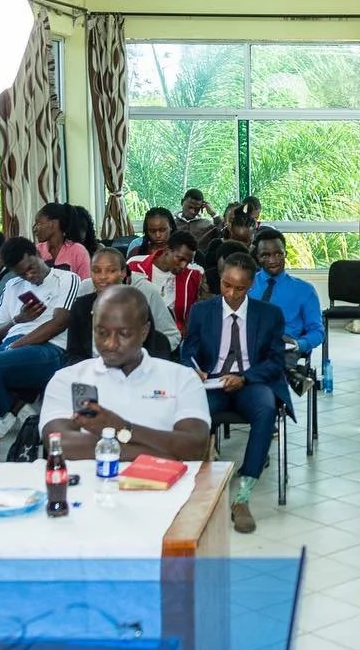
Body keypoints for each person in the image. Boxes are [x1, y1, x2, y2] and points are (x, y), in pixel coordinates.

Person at [180, 252, 292, 534]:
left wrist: (244, 378)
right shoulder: (201, 312)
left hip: (250, 381)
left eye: (239, 288)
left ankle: (242, 497)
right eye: (226, 285)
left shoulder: (269, 315)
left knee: (266, 409)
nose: (231, 293)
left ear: (251, 285)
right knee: (192, 411)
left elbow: (276, 362)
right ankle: (194, 484)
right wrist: (193, 369)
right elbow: (188, 351)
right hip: (212, 382)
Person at [40, 285, 210, 463]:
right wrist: (159, 454)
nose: (111, 344)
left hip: (164, 489)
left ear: (144, 331)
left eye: (124, 334)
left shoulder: (182, 378)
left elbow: (194, 448)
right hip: (87, 489)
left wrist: (121, 427)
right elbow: (59, 444)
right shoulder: (67, 378)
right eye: (102, 332)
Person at [0, 236, 80, 427]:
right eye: (22, 274)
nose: (29, 276)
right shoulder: (13, 286)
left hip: (48, 348)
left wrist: (15, 345)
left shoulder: (66, 279)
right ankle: (17, 408)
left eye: (31, 268)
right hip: (11, 345)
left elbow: (60, 323)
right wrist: (17, 320)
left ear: (38, 254)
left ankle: (10, 411)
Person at [66, 247, 177, 363]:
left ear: (123, 273)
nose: (103, 276)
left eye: (111, 271)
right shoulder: (80, 307)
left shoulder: (137, 305)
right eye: (96, 270)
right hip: (92, 373)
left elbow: (150, 348)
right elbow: (74, 353)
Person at [252, 229, 324, 374]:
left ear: (286, 254)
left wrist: (298, 344)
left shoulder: (304, 290)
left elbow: (317, 331)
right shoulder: (246, 285)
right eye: (266, 255)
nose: (272, 260)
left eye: (278, 254)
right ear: (258, 258)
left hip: (284, 348)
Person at [128, 230, 205, 335]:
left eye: (188, 262)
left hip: (175, 337)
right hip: (137, 333)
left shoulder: (194, 274)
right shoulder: (135, 266)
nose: (183, 266)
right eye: (180, 259)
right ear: (167, 250)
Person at [34, 202, 92, 280]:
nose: (35, 229)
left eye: (39, 224)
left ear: (53, 224)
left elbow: (85, 285)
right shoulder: (36, 250)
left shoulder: (78, 251)